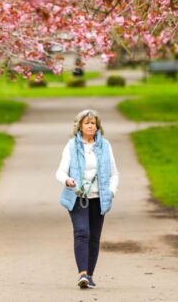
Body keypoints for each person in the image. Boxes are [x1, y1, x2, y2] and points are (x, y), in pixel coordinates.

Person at [55, 109, 119, 289]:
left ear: (97, 126)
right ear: (80, 126)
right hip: (77, 196)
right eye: (87, 123)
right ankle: (82, 274)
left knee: (94, 237)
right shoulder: (71, 146)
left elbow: (114, 174)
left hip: (99, 197)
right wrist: (67, 180)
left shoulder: (105, 146)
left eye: (93, 123)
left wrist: (111, 191)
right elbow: (60, 171)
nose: (91, 125)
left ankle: (89, 275)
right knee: (82, 232)